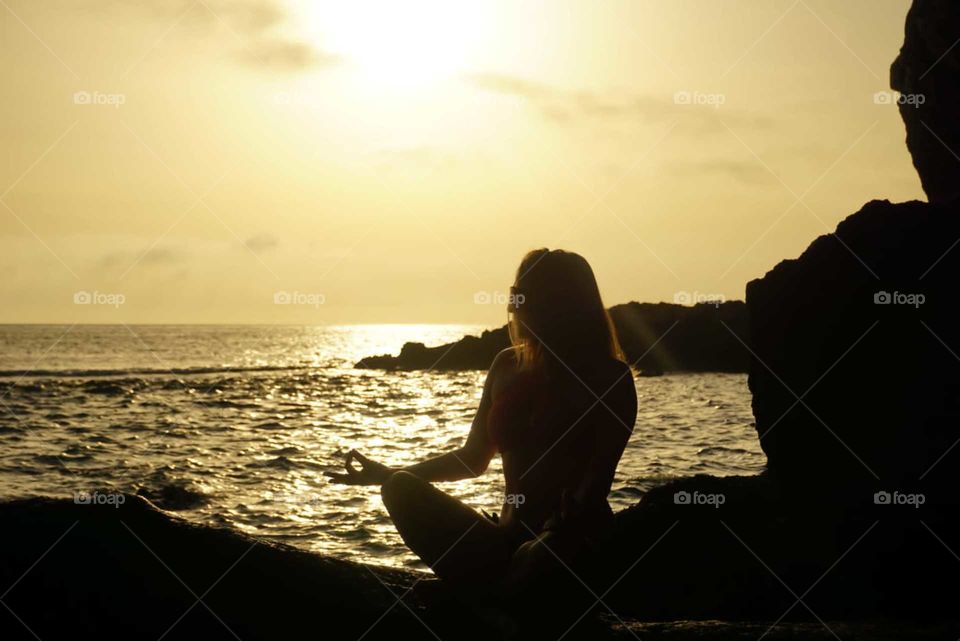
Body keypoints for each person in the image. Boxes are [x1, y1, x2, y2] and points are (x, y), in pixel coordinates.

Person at [327, 248, 637, 594]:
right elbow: (473, 459)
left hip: (568, 545)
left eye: (525, 293)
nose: (514, 301)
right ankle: (496, 593)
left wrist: (564, 524)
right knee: (399, 488)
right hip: (505, 538)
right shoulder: (506, 365)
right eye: (515, 291)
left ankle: (485, 595)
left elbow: (596, 484)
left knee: (539, 557)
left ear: (560, 302)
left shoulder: (610, 378)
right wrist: (387, 474)